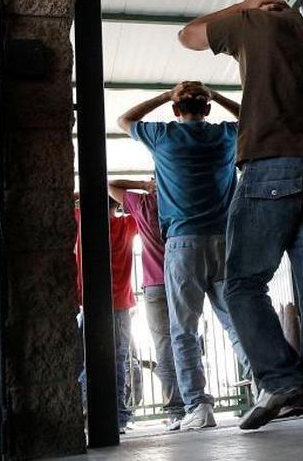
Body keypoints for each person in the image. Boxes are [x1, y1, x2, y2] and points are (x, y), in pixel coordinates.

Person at [178, 0, 303, 430]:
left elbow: (187, 36)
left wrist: (242, 4)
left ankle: (280, 377)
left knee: (241, 283)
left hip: (271, 168)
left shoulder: (253, 23)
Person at [119, 81, 249, 430]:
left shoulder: (163, 136)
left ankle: (198, 407)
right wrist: (215, 94)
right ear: (207, 110)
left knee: (184, 331)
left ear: (176, 111)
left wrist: (166, 95)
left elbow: (124, 120)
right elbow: (252, 115)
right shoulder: (225, 136)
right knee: (236, 322)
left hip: (183, 243)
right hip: (224, 240)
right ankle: (268, 387)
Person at [108, 178, 187, 431]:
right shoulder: (178, 203)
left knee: (162, 346)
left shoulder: (143, 205)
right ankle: (194, 404)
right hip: (182, 279)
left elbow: (110, 184)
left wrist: (143, 186)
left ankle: (175, 410)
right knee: (187, 338)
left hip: (153, 286)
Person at [73, 193, 137, 432]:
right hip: (121, 303)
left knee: (89, 358)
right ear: (115, 206)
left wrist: (82, 193)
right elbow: (138, 206)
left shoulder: (82, 222)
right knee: (118, 359)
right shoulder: (127, 225)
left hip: (92, 303)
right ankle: (118, 417)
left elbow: (63, 199)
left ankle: (88, 410)